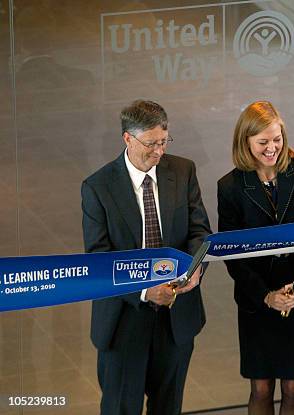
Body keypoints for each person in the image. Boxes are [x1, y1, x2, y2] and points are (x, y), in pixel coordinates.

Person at [81, 100, 211, 415]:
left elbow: (199, 232)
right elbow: (99, 259)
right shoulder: (98, 188)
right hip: (125, 319)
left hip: (176, 319)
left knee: (168, 407)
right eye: (151, 144)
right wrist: (144, 290)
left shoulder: (182, 171)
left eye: (164, 141)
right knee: (121, 408)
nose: (159, 152)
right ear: (128, 138)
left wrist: (195, 270)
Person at [217, 101, 294, 415]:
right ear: (245, 142)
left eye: (277, 139)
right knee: (260, 388)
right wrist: (266, 296)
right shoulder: (230, 187)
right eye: (263, 142)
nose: (272, 147)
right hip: (258, 297)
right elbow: (234, 256)